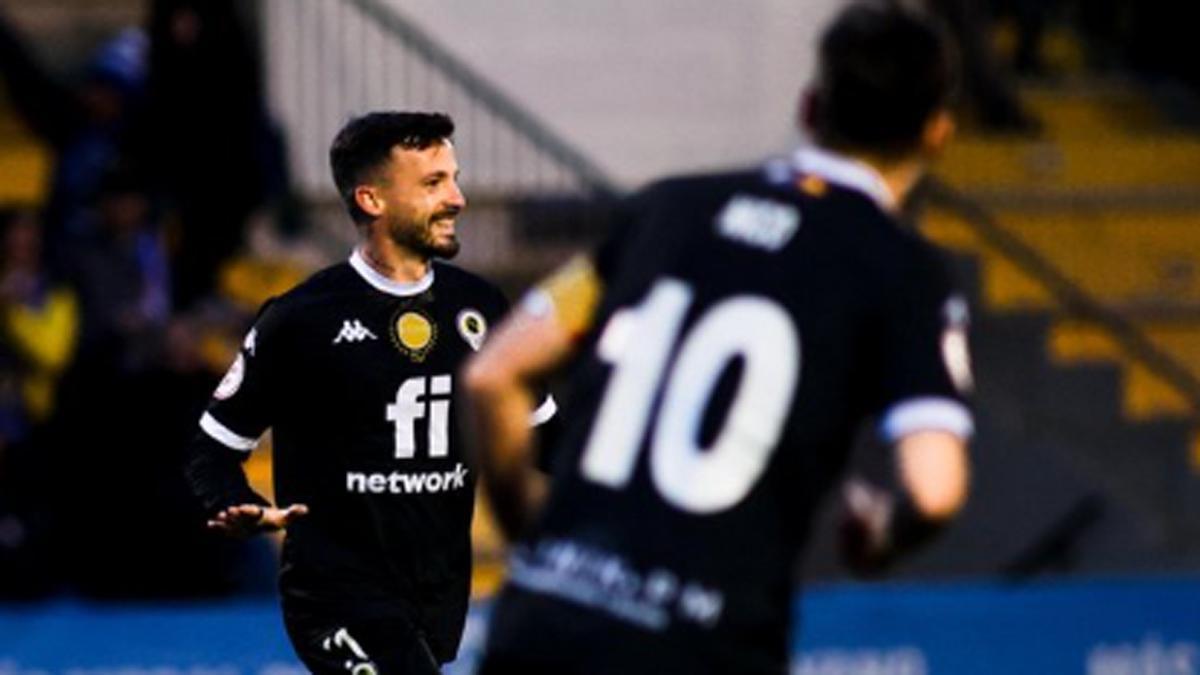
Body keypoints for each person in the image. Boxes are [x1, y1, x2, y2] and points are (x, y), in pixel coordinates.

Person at [462, 4, 973, 674]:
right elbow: (935, 488)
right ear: (937, 133)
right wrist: (881, 534)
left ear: (810, 106)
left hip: (542, 624)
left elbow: (492, 374)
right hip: (702, 643)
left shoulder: (668, 210)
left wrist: (536, 535)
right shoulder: (905, 271)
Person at [185, 112, 555, 673]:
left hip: (437, 593)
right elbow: (212, 451)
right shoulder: (300, 320)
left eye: (454, 178)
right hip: (334, 597)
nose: (457, 198)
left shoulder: (481, 306)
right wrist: (239, 505)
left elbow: (548, 441)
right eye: (433, 184)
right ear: (372, 200)